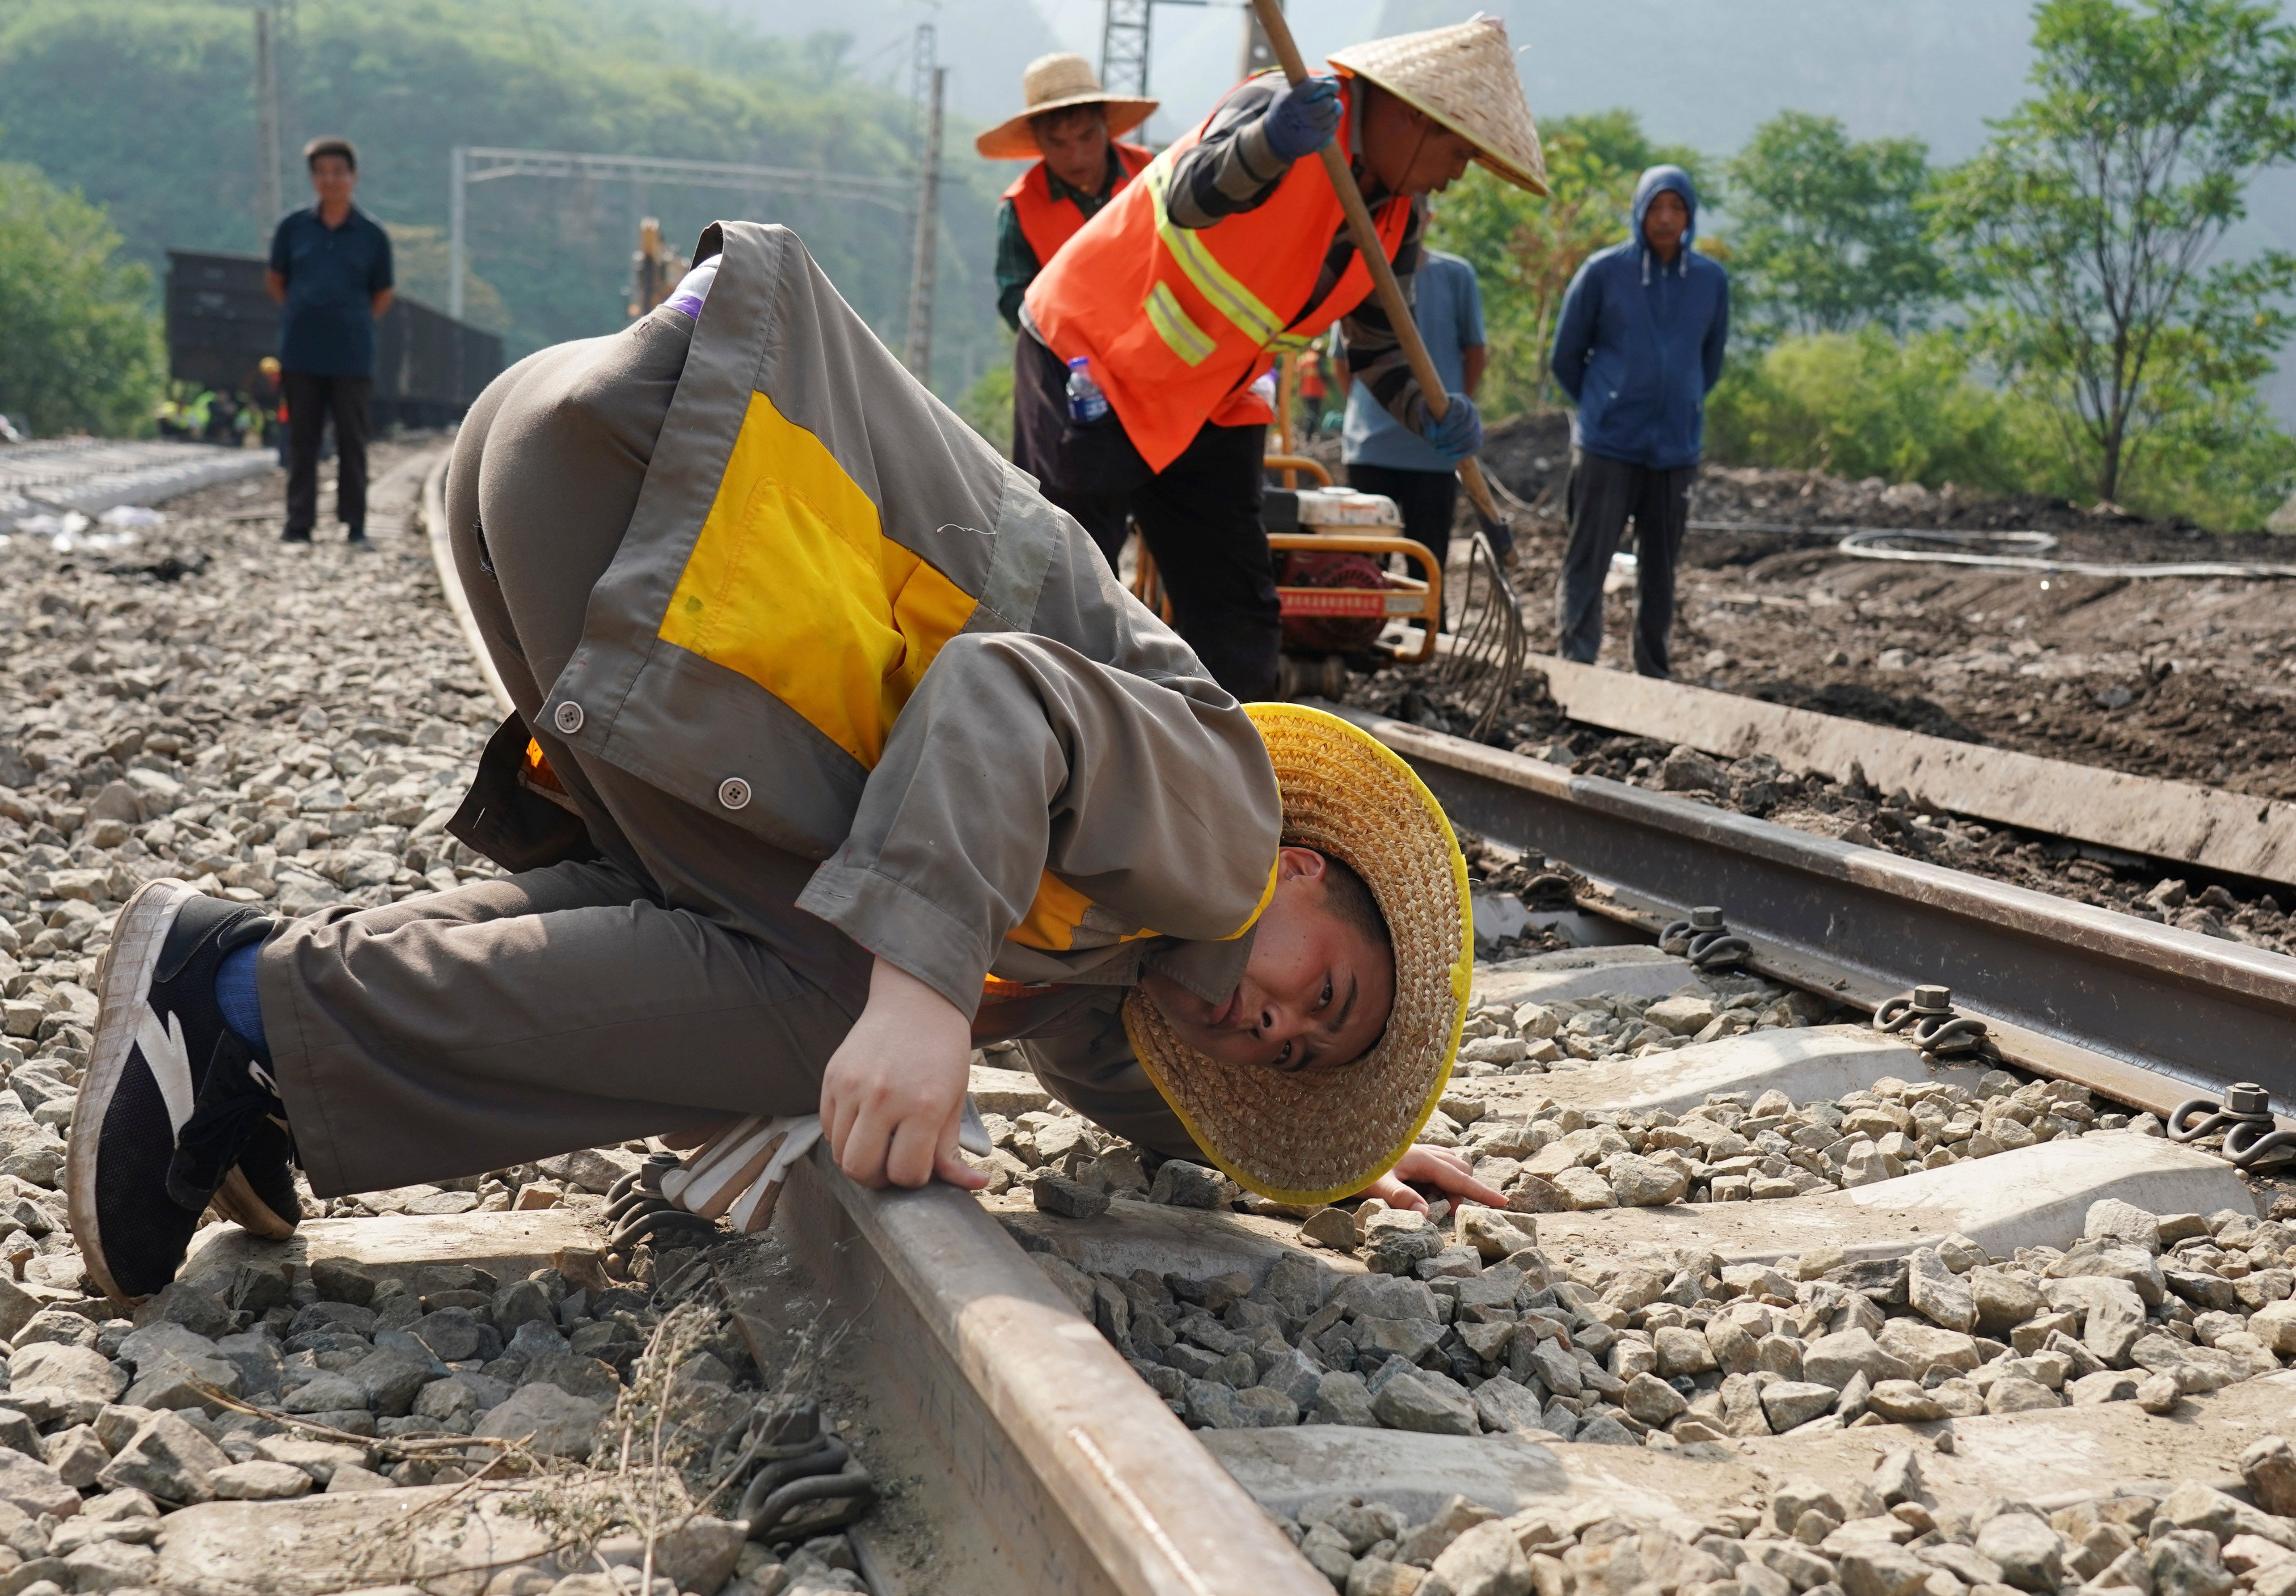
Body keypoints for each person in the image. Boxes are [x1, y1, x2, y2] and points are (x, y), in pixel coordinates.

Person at [65, 221, 1500, 1306]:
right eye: (1327, 990)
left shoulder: (1120, 948)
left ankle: (247, 1015)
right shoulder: (1222, 821)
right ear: (1303, 870)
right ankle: (240, 1012)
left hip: (595, 472)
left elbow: (1112, 1067)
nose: (1280, 1027)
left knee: (786, 954)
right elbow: (995, 696)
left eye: (1300, 1051)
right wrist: (922, 1001)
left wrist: (1321, 1155)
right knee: (836, 997)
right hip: (679, 482)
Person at [1014, 18, 1547, 703]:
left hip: (1212, 400)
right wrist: (1271, 144)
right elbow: (1189, 198)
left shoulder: (1398, 217)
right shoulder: (1283, 105)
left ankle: (1226, 788)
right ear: (1417, 119)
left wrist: (1426, 408)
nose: (1454, 178)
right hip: (1094, 360)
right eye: (1460, 154)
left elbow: (1381, 346)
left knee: (1237, 615)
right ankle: (1042, 754)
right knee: (1069, 585)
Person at [1549, 164, 1728, 678]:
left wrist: (1684, 402)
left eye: (1677, 208)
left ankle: (1653, 672)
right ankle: (1576, 666)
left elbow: (1709, 362)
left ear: (1690, 216)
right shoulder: (1604, 273)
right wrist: (1604, 405)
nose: (1666, 219)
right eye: (1656, 207)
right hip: (1607, 445)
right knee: (1589, 558)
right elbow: (1567, 357)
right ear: (1639, 211)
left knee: (1661, 571)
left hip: (1675, 450)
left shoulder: (1711, 282)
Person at [267, 135, 394, 547]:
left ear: (353, 177)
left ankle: (354, 525)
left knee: (352, 441)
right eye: (322, 172)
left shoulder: (372, 235)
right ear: (313, 178)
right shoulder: (293, 229)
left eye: (338, 171)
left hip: (353, 354)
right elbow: (277, 281)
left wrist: (348, 320)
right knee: (302, 441)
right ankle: (298, 525)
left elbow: (383, 294)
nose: (331, 180)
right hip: (301, 351)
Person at [981, 55, 1158, 339]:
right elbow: (1016, 302)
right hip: (1074, 362)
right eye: (1057, 143)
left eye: (1087, 137)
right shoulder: (1020, 208)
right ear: (1038, 142)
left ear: (1105, 126)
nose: (1076, 156)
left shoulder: (1156, 173)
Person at [1335, 245, 1486, 574]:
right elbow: (1344, 360)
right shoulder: (1361, 269)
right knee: (1365, 575)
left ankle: (1430, 627)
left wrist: (1449, 414)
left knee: (1429, 571)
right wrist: (1378, 406)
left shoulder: (1455, 275)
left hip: (1433, 453)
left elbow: (1476, 352)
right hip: (1370, 448)